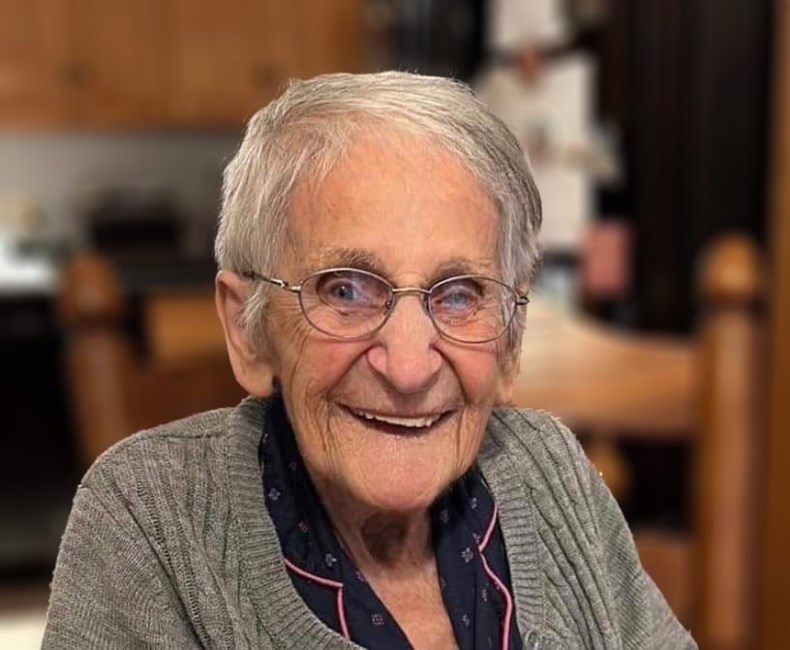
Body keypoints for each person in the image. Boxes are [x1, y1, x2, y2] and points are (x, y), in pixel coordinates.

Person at [43, 72, 695, 649]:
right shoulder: (151, 519)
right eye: (346, 291)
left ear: (512, 338)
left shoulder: (548, 471)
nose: (408, 369)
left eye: (460, 294)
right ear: (248, 330)